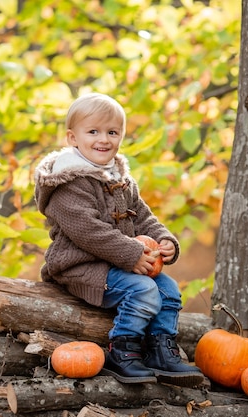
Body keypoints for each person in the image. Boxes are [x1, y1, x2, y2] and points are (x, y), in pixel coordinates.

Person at [34, 92, 204, 386]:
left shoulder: (119, 179)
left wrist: (163, 241)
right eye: (93, 132)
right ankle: (122, 351)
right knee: (142, 290)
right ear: (72, 138)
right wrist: (131, 254)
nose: (104, 139)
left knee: (169, 291)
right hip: (80, 266)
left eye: (112, 132)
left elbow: (143, 217)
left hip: (119, 262)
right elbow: (87, 230)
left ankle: (160, 351)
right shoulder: (68, 182)